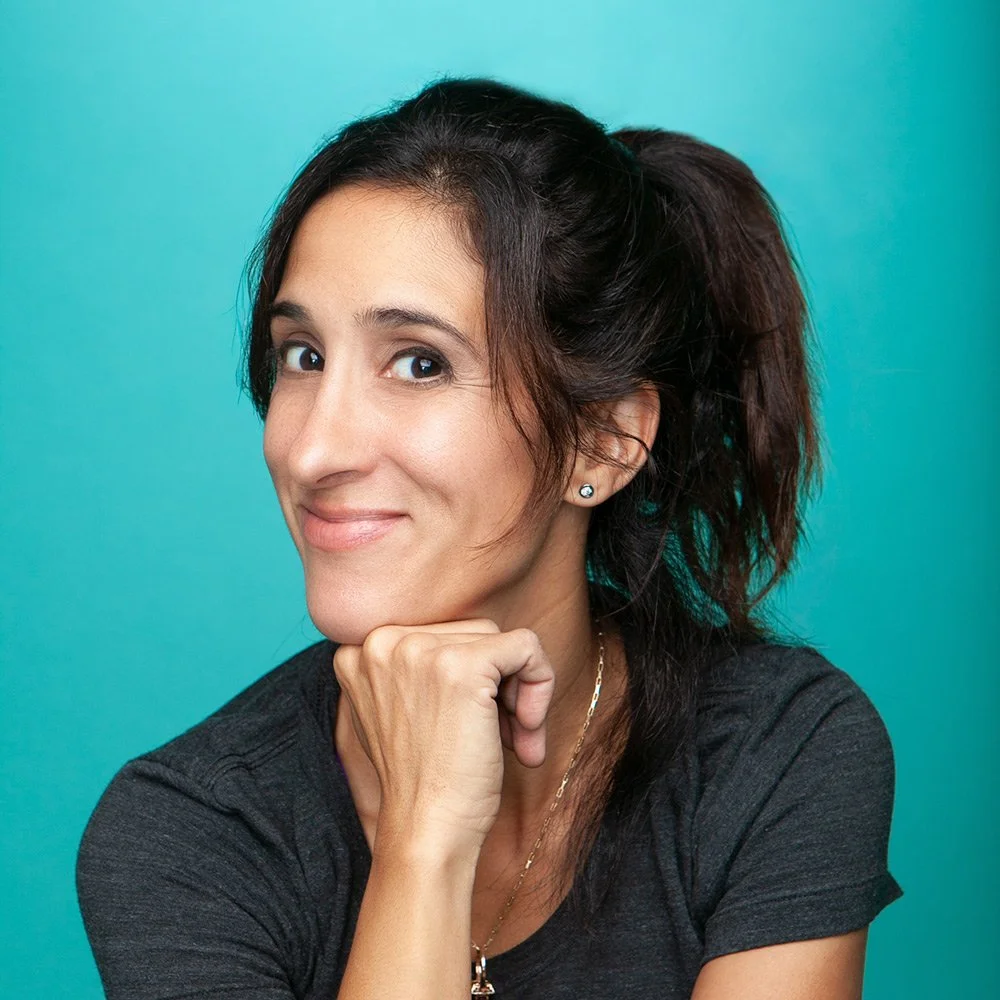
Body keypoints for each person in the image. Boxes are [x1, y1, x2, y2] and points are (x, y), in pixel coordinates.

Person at [76, 77, 903, 999]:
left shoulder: (774, 751)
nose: (309, 448)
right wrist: (427, 842)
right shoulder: (190, 833)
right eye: (301, 356)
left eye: (419, 363)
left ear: (606, 438)